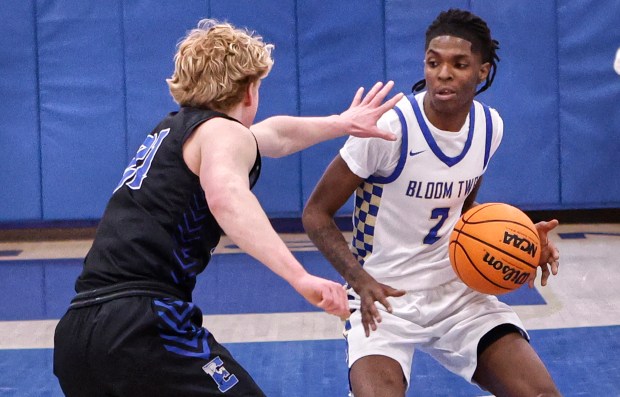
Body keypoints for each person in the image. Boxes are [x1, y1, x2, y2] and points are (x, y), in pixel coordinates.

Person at [53, 19, 402, 397]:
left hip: (77, 332)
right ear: (249, 90)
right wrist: (299, 277)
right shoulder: (223, 132)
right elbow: (227, 198)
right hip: (143, 324)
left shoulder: (176, 131)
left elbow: (276, 135)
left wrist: (340, 123)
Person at [302, 8, 562, 397]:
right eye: (433, 62)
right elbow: (315, 213)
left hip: (457, 293)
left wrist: (522, 243)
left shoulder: (490, 127)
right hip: (382, 297)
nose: (443, 73)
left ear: (483, 71)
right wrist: (360, 281)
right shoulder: (388, 128)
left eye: (459, 64)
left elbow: (465, 215)